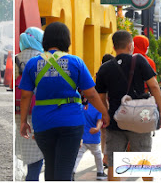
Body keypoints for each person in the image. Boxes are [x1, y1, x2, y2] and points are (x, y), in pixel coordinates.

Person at [19, 22, 110, 181]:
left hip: (43, 123)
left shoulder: (33, 63)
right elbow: (91, 94)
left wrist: (23, 121)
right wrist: (104, 113)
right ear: (66, 40)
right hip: (71, 123)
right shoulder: (76, 62)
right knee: (64, 170)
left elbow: (25, 95)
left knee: (51, 167)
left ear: (45, 40)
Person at [95, 30, 161, 179]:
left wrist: (105, 114)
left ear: (113, 47)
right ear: (130, 45)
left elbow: (100, 97)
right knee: (143, 162)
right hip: (140, 118)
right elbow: (154, 86)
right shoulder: (139, 60)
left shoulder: (104, 68)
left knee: (114, 164)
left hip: (115, 121)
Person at [15, 27, 45, 181]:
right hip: (40, 111)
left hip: (19, 112)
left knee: (29, 153)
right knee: (39, 154)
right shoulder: (44, 59)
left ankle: (31, 177)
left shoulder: (15, 59)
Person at [72, 93, 106, 181]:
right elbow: (100, 121)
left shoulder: (82, 107)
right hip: (93, 138)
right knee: (98, 156)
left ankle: (72, 172)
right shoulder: (98, 108)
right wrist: (97, 128)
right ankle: (100, 172)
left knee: (78, 156)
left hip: (82, 138)